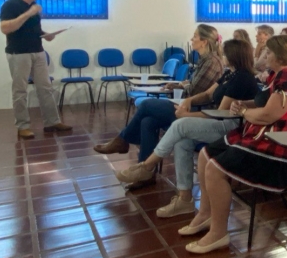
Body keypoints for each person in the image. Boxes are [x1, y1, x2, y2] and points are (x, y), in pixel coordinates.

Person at [180, 35, 287, 253]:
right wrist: (245, 105)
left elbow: (269, 115)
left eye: (268, 52)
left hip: (282, 147)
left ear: (279, 56)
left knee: (215, 169)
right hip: (262, 134)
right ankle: (205, 214)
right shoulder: (277, 75)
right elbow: (264, 103)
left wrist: (243, 111)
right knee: (205, 154)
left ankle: (218, 233)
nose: (264, 55)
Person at [114, 39, 259, 216]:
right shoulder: (230, 74)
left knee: (180, 124)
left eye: (225, 53)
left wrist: (187, 115)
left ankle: (147, 166)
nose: (222, 55)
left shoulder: (243, 78)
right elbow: (207, 94)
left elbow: (220, 113)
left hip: (230, 126)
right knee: (182, 140)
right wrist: (190, 100)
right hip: (218, 120)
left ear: (234, 56)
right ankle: (184, 199)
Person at [94, 25, 223, 182]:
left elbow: (196, 91)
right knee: (148, 121)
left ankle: (123, 140)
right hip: (186, 104)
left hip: (196, 111)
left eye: (195, 36)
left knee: (147, 105)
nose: (191, 39)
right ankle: (145, 173)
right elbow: (193, 84)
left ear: (203, 42)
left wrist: (184, 86)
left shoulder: (212, 62)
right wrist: (179, 85)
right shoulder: (205, 60)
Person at [0, 0, 72, 139]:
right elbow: (5, 28)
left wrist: (47, 35)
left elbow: (34, 29)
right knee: (20, 90)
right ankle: (22, 126)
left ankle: (52, 122)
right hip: (18, 53)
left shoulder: (34, 7)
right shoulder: (10, 5)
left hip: (38, 51)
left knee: (45, 88)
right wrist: (28, 14)